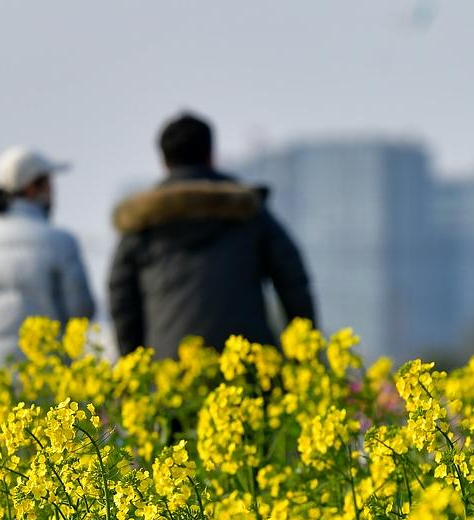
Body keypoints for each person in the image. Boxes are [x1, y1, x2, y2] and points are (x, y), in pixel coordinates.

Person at [108, 112, 317, 359]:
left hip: (168, 368)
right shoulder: (248, 211)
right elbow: (293, 281)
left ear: (164, 163)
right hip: (249, 364)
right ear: (211, 155)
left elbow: (121, 297)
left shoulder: (142, 223)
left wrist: (135, 362)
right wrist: (304, 354)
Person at [0, 145, 96, 369]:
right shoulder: (61, 242)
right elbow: (81, 311)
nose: (53, 193)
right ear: (32, 188)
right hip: (48, 375)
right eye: (48, 184)